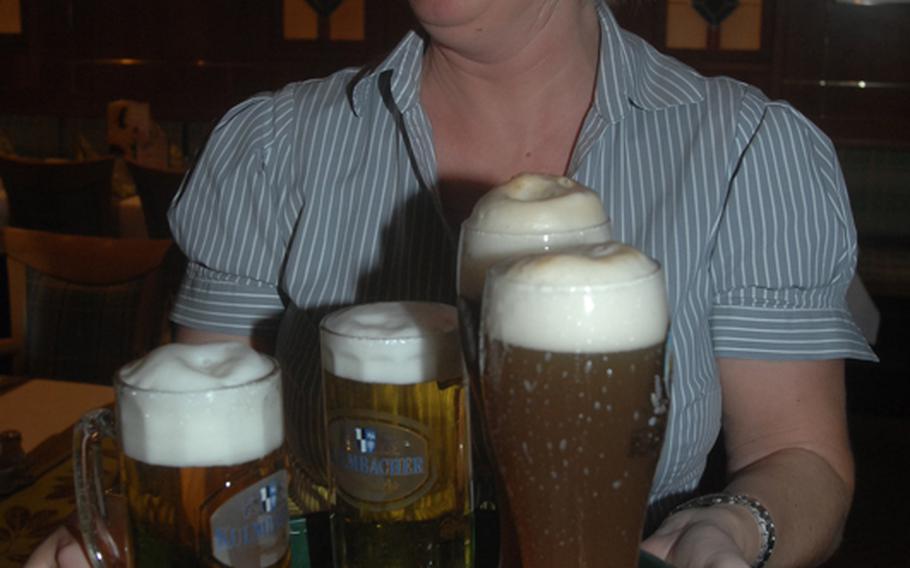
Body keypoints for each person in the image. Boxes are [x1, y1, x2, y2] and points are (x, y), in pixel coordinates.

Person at [29, 0, 875, 567]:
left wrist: (734, 526)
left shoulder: (750, 153)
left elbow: (797, 458)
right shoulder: (270, 147)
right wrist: (109, 537)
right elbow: (196, 444)